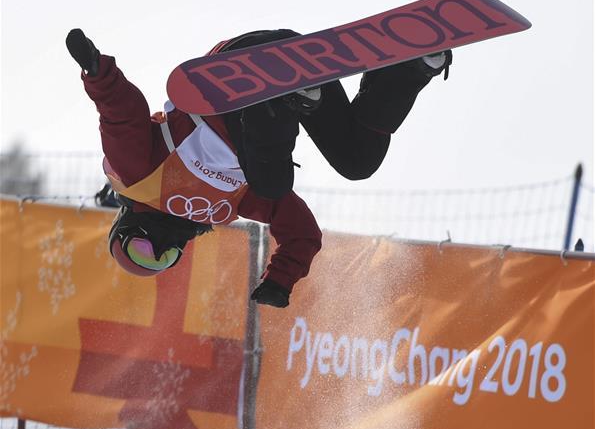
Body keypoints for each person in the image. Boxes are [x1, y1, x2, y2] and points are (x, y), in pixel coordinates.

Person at [66, 28, 451, 307]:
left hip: (229, 78)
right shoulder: (229, 206)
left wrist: (98, 72)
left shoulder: (137, 178)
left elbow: (121, 117)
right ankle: (410, 68)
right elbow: (301, 232)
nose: (163, 246)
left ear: (127, 227)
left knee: (272, 180)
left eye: (144, 248)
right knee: (357, 161)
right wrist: (281, 279)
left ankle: (284, 99)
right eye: (164, 258)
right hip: (287, 76)